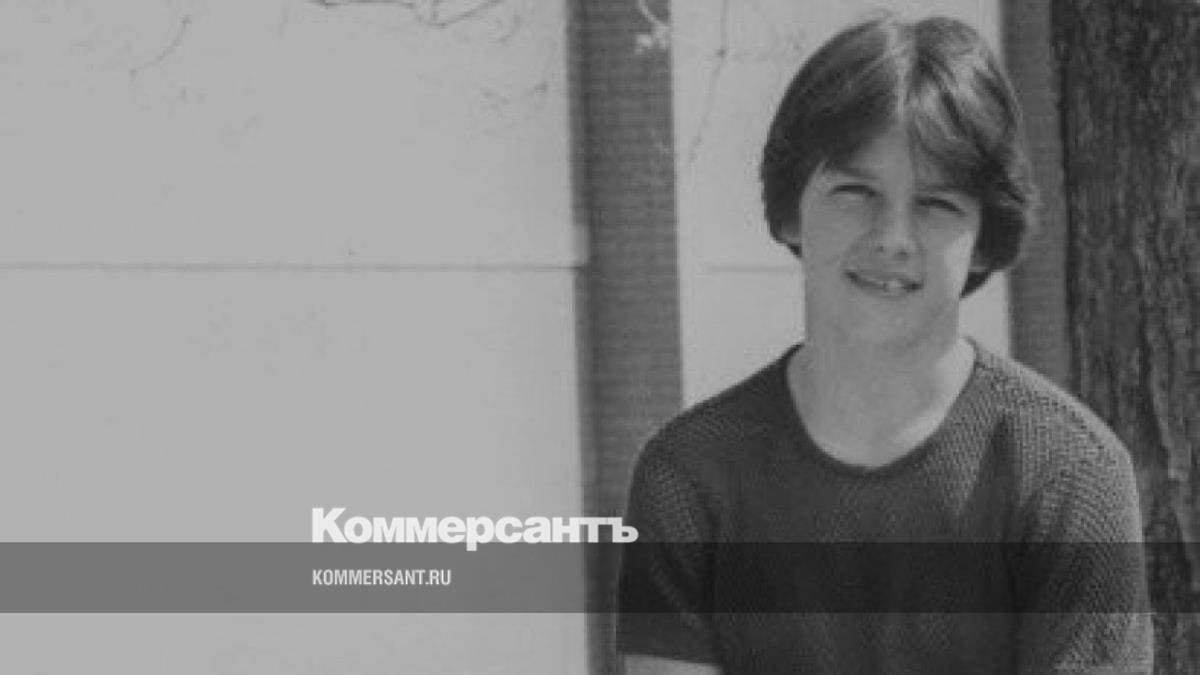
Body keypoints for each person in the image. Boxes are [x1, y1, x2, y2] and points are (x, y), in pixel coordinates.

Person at [615, 11, 1152, 675]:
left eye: (937, 203)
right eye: (855, 191)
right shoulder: (688, 474)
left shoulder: (1069, 473)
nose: (893, 236)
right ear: (790, 209)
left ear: (985, 236)